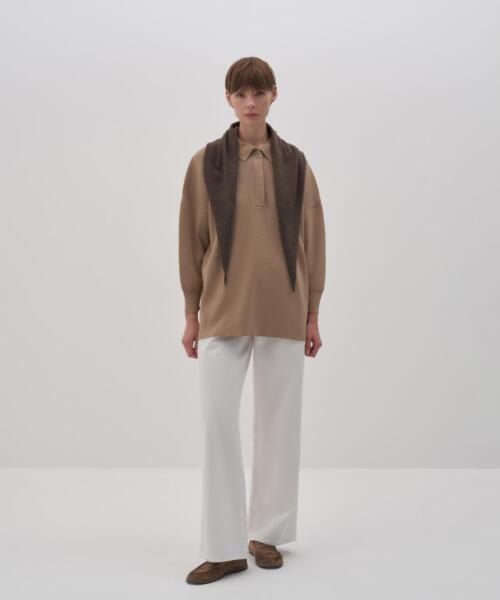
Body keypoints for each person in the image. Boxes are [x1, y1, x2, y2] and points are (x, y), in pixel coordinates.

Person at [178, 56, 326, 585]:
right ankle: (224, 547)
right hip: (222, 308)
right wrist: (191, 311)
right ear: (229, 99)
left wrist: (313, 312)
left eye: (259, 92)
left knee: (279, 422)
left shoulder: (296, 163)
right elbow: (192, 237)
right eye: (241, 94)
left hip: (285, 307)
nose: (250, 102)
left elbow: (313, 237)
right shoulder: (206, 163)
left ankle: (267, 533)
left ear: (273, 95)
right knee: (218, 421)